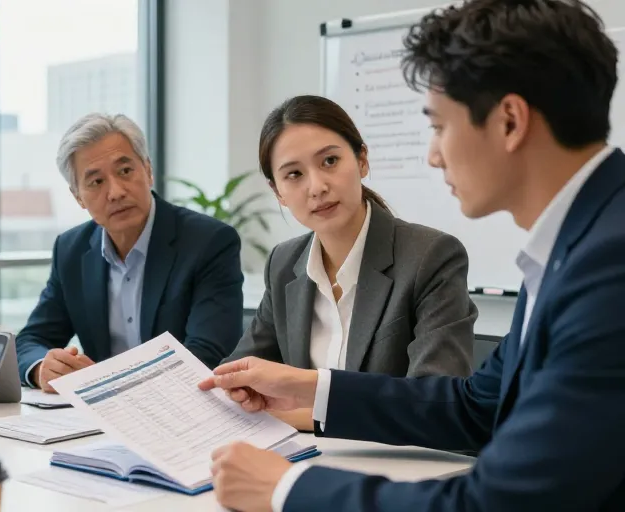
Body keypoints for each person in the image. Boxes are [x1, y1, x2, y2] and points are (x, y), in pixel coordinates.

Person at [200, 1, 625, 510]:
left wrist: (286, 488)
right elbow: (473, 408)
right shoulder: (573, 248)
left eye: (440, 125)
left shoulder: (609, 266)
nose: (433, 154)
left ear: (509, 121)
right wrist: (307, 387)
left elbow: (500, 503)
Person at [222, 95, 477, 431]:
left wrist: (298, 415)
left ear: (361, 160)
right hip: (302, 459)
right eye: (294, 174)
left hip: (398, 468)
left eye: (329, 161)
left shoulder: (431, 256)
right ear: (278, 193)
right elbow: (238, 375)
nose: (317, 187)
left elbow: (433, 402)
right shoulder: (284, 263)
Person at [16, 113, 244, 392]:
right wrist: (43, 367)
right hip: (99, 420)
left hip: (181, 412)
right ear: (78, 197)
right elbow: (31, 340)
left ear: (147, 171)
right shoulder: (71, 250)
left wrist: (107, 382)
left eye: (125, 171)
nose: (116, 192)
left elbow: (206, 353)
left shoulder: (208, 241)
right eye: (96, 182)